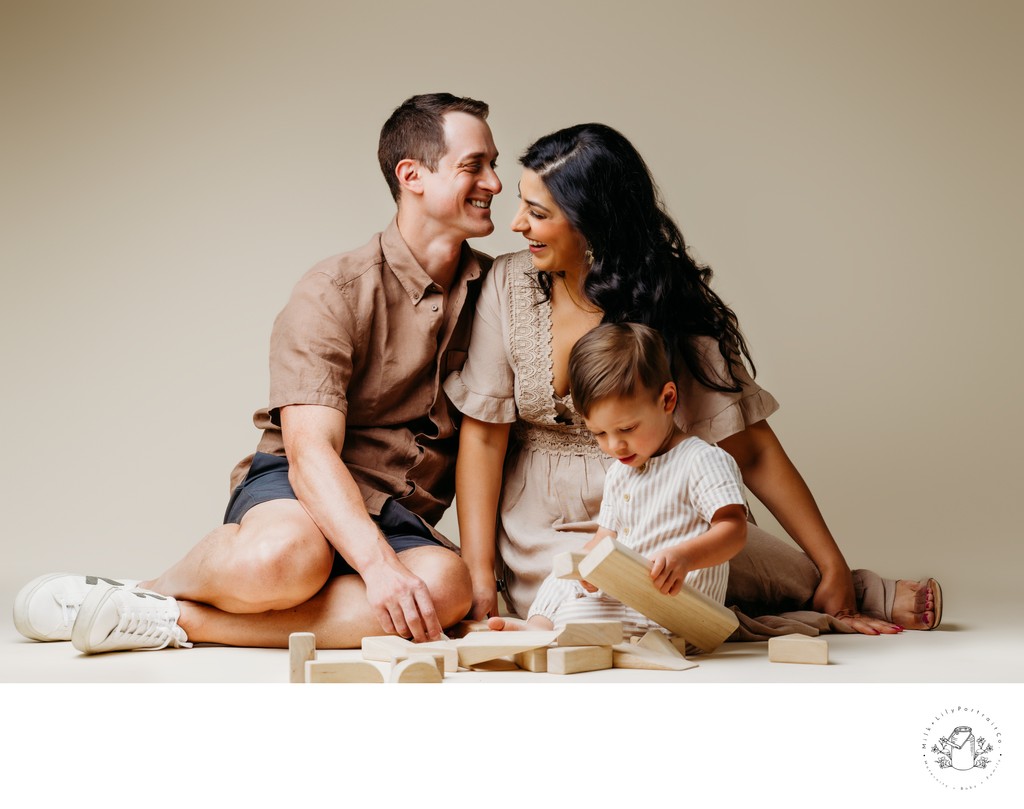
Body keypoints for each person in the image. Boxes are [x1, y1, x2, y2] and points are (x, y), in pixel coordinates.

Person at [14, 92, 502, 653]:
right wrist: (379, 566)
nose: (493, 182)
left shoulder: (497, 293)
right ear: (411, 175)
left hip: (397, 507)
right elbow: (309, 452)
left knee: (446, 588)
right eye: (474, 166)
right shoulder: (333, 290)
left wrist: (418, 567)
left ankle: (161, 616)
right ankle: (150, 589)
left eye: (492, 164)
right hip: (302, 488)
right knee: (286, 560)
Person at [444, 122, 941, 639]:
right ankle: (856, 595)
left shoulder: (666, 297)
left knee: (751, 567)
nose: (516, 224)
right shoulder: (507, 285)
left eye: (538, 213)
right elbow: (483, 438)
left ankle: (846, 586)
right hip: (547, 522)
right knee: (592, 596)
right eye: (523, 205)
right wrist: (480, 574)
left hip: (665, 500)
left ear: (593, 223)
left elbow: (750, 449)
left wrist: (831, 563)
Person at [503, 322, 748, 637]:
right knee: (563, 572)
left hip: (677, 606)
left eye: (627, 429)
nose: (614, 446)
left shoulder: (701, 460)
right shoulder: (621, 471)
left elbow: (734, 530)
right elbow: (606, 536)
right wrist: (588, 566)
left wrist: (685, 557)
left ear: (667, 400)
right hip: (631, 593)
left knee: (586, 612)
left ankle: (553, 635)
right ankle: (538, 626)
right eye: (599, 434)